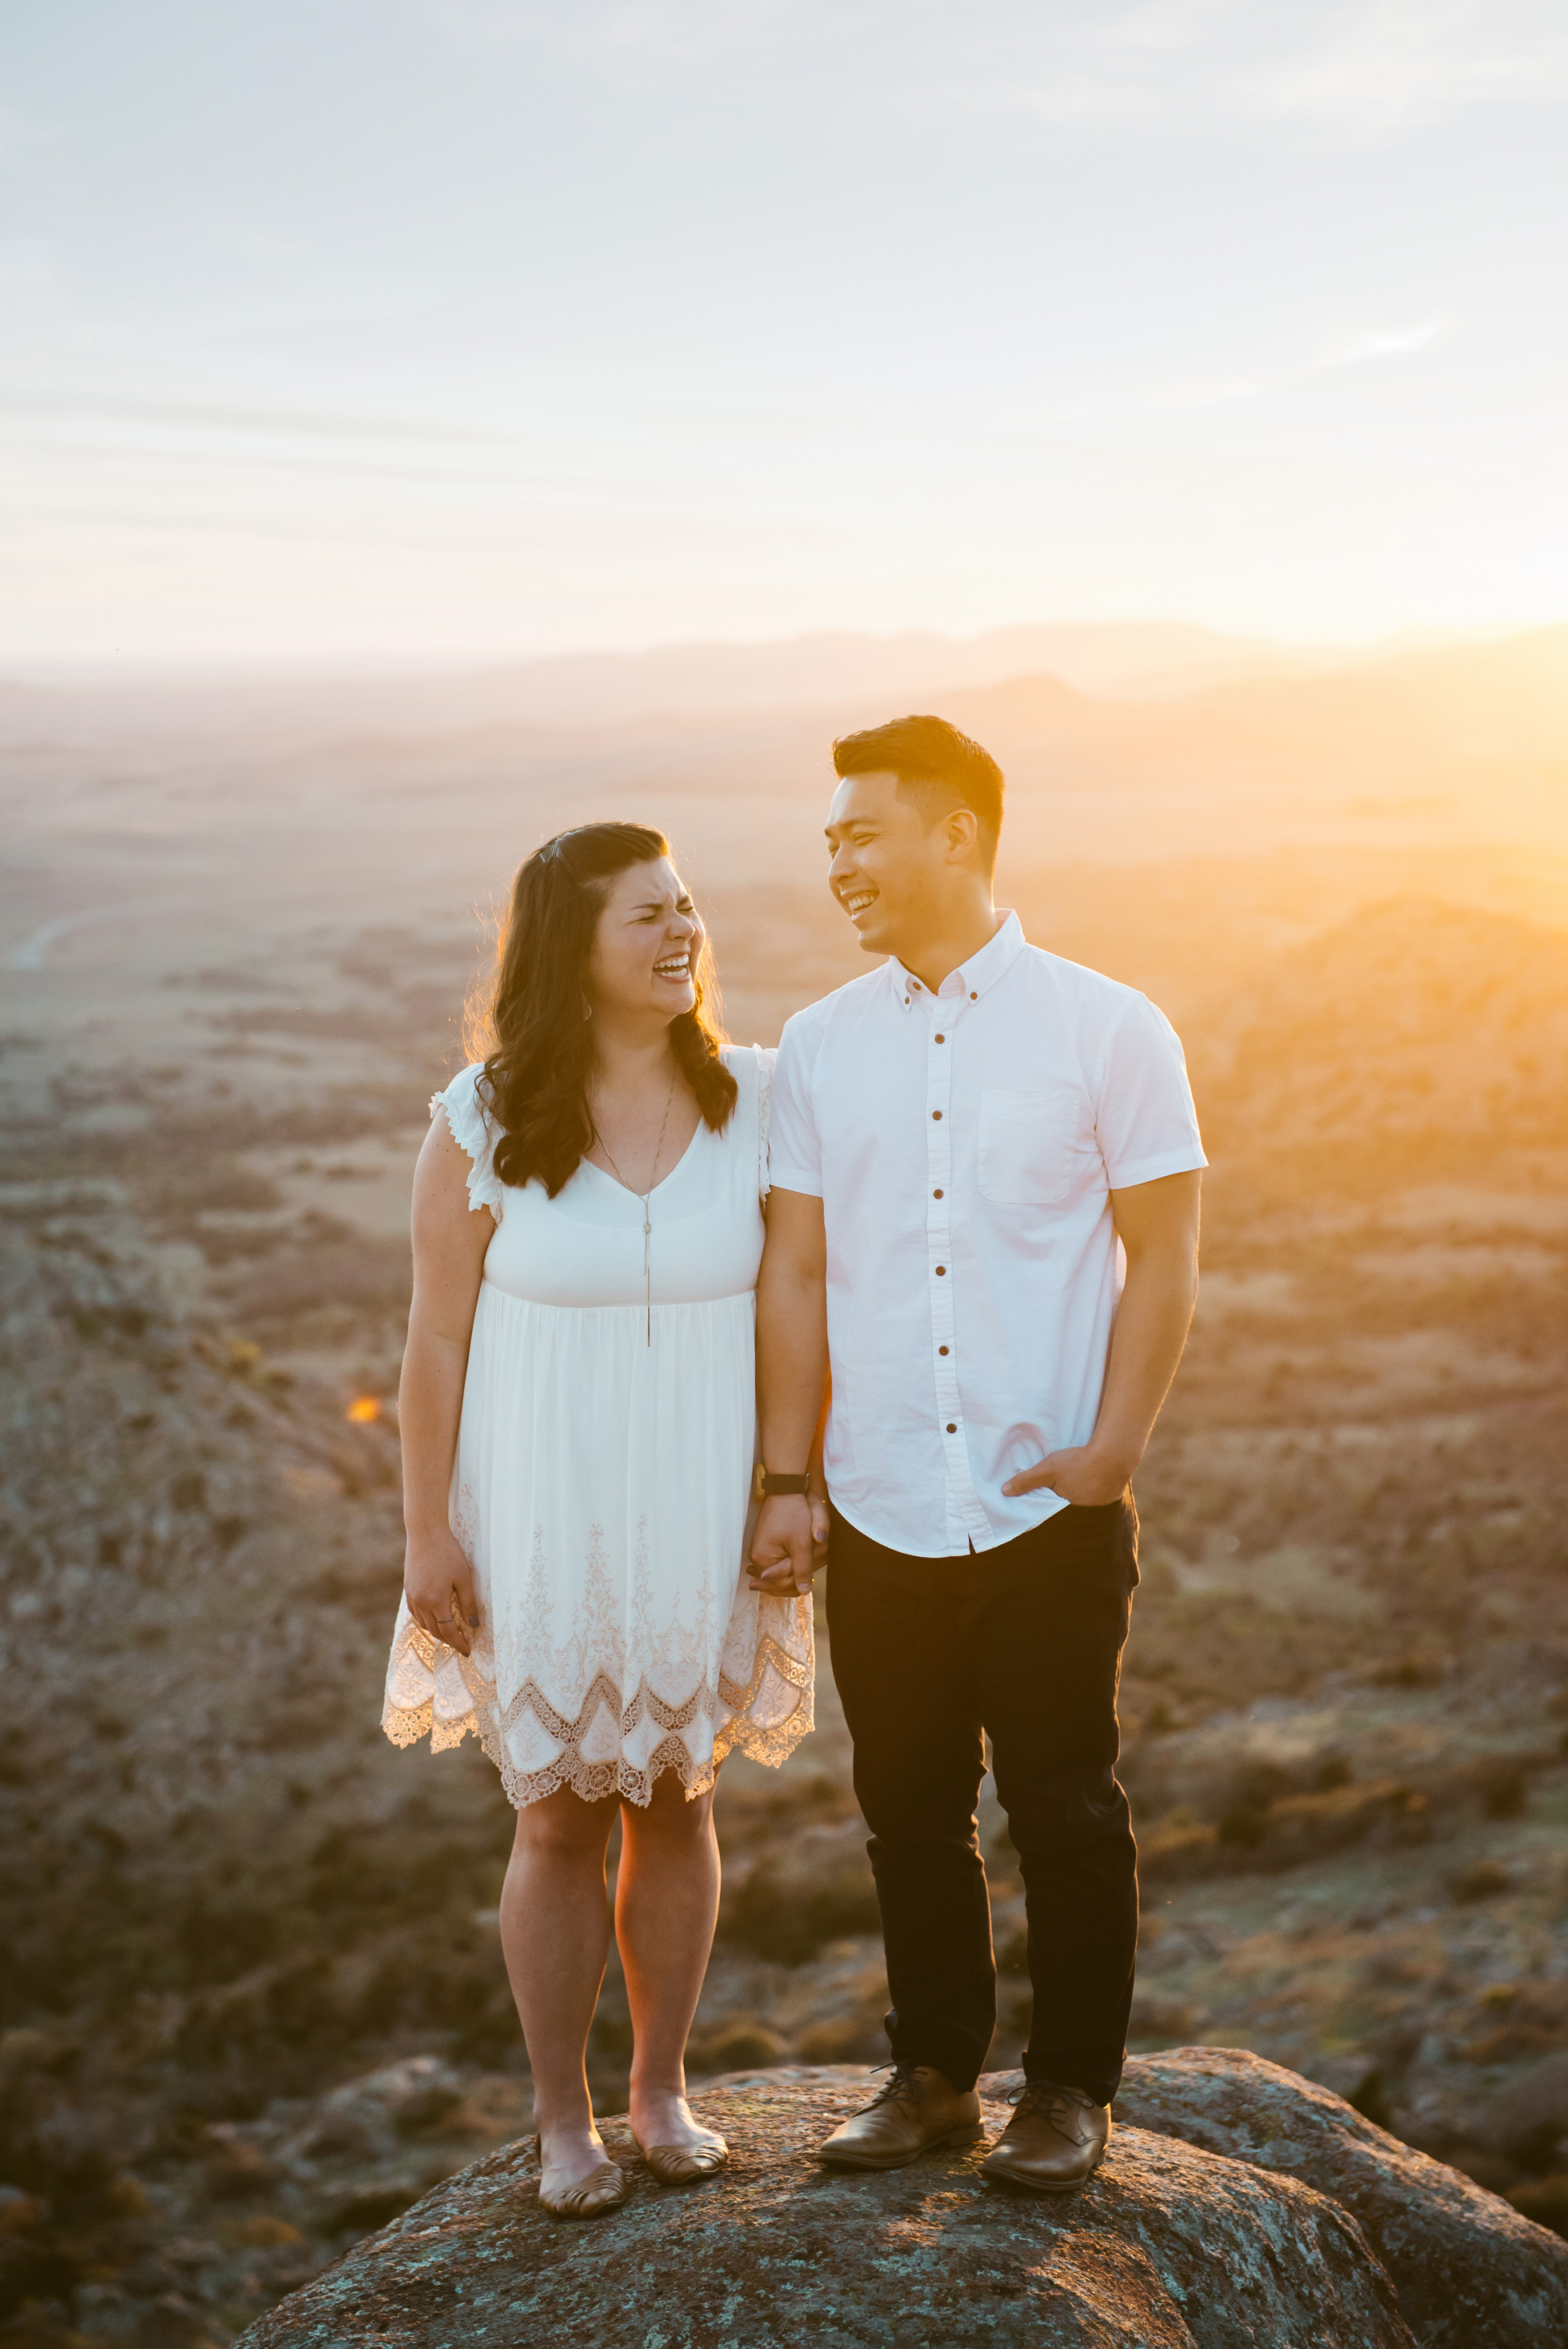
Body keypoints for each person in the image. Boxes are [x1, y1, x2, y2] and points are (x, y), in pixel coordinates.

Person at [750, 716, 1204, 2193]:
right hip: (879, 1502)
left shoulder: (1109, 1024)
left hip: (1043, 1505)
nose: (839, 865)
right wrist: (792, 1479)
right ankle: (937, 2077)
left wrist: (1112, 1454)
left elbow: (1167, 1255)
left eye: (861, 834)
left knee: (1067, 1807)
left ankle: (1070, 2091)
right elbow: (798, 1277)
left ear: (958, 834)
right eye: (828, 843)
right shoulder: (817, 1048)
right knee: (907, 1813)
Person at [382, 821, 817, 2221]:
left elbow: (798, 1298)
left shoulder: (761, 1098)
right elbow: (433, 1343)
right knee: (560, 1817)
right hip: (542, 1509)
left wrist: (789, 1488)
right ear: (572, 946)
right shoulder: (481, 1117)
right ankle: (564, 2123)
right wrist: (426, 1539)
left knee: (681, 1795)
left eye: (687, 907)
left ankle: (663, 2093)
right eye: (646, 915)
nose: (682, 931)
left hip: (702, 1500)